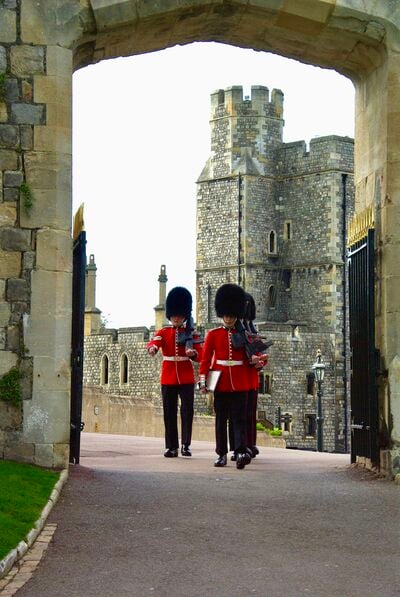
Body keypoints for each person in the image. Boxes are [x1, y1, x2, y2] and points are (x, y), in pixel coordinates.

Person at [198, 283, 250, 470]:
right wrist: (203, 381)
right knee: (221, 420)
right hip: (220, 381)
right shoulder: (213, 334)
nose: (228, 318)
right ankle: (221, 454)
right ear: (222, 314)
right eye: (226, 315)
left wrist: (259, 361)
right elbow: (205, 360)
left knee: (239, 419)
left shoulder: (244, 335)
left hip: (239, 381)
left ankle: (240, 451)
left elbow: (253, 356)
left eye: (231, 315)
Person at [147, 287, 203, 458]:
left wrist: (193, 354)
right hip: (169, 377)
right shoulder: (164, 332)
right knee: (169, 413)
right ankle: (171, 446)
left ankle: (186, 445)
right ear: (170, 316)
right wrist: (153, 349)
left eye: (179, 315)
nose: (176, 318)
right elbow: (154, 343)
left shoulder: (191, 333)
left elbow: (201, 354)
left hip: (186, 377)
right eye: (174, 315)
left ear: (185, 315)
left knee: (187, 412)